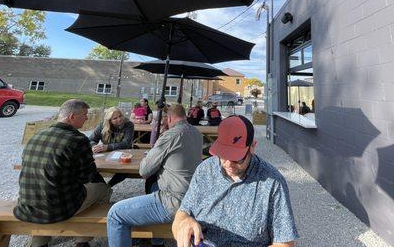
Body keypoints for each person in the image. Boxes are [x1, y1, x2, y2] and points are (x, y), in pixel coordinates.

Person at [172, 115, 298, 247]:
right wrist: (184, 222)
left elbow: (284, 243)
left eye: (237, 159)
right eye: (223, 155)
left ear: (252, 147)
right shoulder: (205, 170)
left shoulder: (272, 183)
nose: (228, 164)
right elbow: (182, 214)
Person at [14, 99, 112, 247]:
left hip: (27, 204)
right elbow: (88, 176)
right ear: (72, 117)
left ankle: (39, 242)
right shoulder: (78, 139)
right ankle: (82, 240)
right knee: (105, 189)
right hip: (59, 207)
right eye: (85, 114)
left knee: (47, 191)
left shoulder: (36, 136)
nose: (87, 118)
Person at [107, 103, 203, 247]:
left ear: (169, 118)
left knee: (115, 214)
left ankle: (151, 237)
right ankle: (156, 241)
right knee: (152, 185)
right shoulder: (196, 133)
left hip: (174, 200)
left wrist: (159, 142)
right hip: (192, 196)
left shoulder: (170, 135)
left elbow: (144, 171)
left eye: (165, 119)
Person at [89, 106, 135, 186]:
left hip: (124, 154)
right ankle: (103, 186)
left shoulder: (128, 124)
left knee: (125, 170)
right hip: (106, 155)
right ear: (109, 120)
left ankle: (109, 185)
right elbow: (90, 140)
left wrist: (107, 147)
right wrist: (94, 146)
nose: (119, 119)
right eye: (115, 118)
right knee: (92, 167)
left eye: (120, 116)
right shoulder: (102, 126)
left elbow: (127, 143)